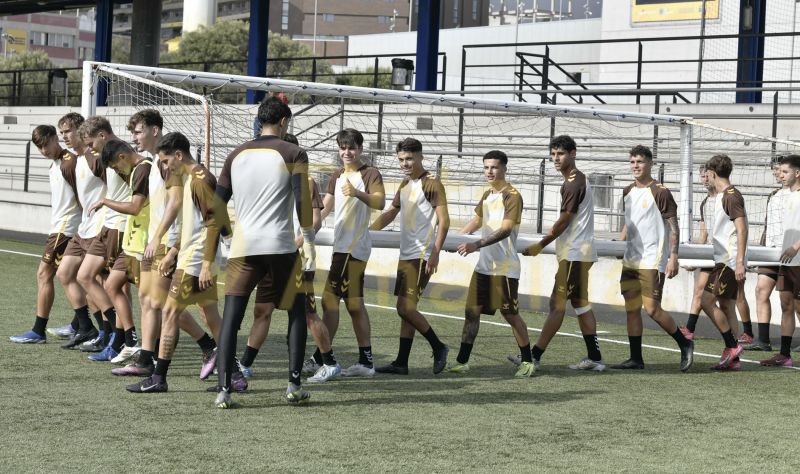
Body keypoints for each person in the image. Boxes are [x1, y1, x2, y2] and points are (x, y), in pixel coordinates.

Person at [210, 96, 316, 408]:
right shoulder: (293, 151)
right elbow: (302, 201)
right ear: (284, 121)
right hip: (281, 246)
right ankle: (294, 384)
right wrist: (308, 239)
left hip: (243, 248)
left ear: (260, 121)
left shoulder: (235, 154)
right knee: (296, 311)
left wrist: (228, 236)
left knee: (231, 317)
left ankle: (224, 390)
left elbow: (216, 205)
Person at [113, 110, 219, 378]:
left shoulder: (170, 166)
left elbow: (177, 204)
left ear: (155, 130)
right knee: (153, 301)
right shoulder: (156, 162)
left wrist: (163, 241)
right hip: (164, 242)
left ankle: (210, 353)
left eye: (138, 131)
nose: (133, 137)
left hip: (173, 244)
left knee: (166, 305)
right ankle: (153, 359)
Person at [238, 133, 340, 384]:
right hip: (272, 256)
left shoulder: (307, 182)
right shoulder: (268, 180)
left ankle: (330, 362)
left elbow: (315, 221)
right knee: (262, 310)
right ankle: (246, 364)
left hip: (298, 259)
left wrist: (294, 242)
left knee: (307, 314)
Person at [522, 135, 605, 371]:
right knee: (580, 304)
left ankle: (534, 357)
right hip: (578, 252)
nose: (556, 158)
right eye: (553, 154)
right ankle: (595, 358)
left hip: (575, 253)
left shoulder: (573, 181)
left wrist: (541, 244)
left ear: (573, 153)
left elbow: (564, 220)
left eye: (561, 153)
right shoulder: (573, 180)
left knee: (556, 305)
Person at [449, 150, 534, 377]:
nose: (489, 171)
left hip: (504, 269)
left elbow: (506, 229)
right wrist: (453, 240)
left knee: (510, 314)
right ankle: (462, 361)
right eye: (486, 167)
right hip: (483, 268)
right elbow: (476, 221)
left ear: (505, 168)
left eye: (494, 167)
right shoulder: (487, 195)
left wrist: (476, 245)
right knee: (471, 312)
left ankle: (527, 361)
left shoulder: (512, 195)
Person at [369, 138, 450, 375]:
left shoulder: (432, 183)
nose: (405, 163)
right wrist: (367, 233)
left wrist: (435, 251)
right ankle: (402, 362)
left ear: (420, 157)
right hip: (406, 256)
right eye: (401, 159)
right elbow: (390, 214)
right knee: (408, 309)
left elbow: (444, 221)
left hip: (421, 255)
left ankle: (439, 346)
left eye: (409, 159)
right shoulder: (405, 185)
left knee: (404, 308)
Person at [610, 145, 693, 372]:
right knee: (632, 308)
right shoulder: (627, 191)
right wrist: (620, 241)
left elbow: (673, 226)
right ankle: (636, 358)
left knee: (652, 309)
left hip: (651, 259)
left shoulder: (660, 191)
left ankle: (685, 343)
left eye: (640, 162)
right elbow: (629, 220)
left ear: (650, 164)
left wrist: (673, 256)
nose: (635, 166)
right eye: (632, 162)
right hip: (631, 259)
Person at [311, 128, 386, 378]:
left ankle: (322, 358)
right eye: (342, 147)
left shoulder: (370, 173)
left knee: (328, 301)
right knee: (354, 305)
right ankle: (365, 362)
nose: (346, 152)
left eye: (351, 147)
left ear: (361, 149)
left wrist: (357, 193)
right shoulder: (336, 175)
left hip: (352, 249)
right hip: (341, 248)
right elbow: (326, 207)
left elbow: (380, 202)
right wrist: (309, 228)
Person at [10, 125, 81, 344]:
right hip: (61, 227)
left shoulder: (70, 162)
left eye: (45, 145)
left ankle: (39, 330)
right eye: (39, 147)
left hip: (66, 229)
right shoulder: (56, 164)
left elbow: (83, 197)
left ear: (54, 138)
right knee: (81, 278)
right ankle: (81, 326)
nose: (43, 150)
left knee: (44, 274)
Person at [72, 117, 136, 357]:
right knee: (85, 275)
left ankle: (121, 339)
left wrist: (108, 203)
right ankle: (113, 332)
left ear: (102, 135)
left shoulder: (123, 154)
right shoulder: (108, 155)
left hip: (120, 227)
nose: (90, 149)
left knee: (118, 286)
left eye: (91, 143)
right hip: (107, 226)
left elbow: (136, 194)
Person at [85, 138, 153, 363]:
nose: (115, 171)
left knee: (156, 302)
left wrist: (106, 201)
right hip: (132, 243)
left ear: (122, 157)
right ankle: (130, 341)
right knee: (113, 284)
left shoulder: (144, 169)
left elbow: (135, 207)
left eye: (115, 166)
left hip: (144, 245)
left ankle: (206, 345)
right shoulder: (135, 170)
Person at [49, 113, 106, 342]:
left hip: (100, 228)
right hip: (84, 228)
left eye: (68, 131)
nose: (65, 137)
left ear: (82, 130)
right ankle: (87, 328)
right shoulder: (78, 159)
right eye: (61, 132)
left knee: (100, 282)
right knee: (64, 273)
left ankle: (110, 334)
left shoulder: (95, 158)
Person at [701, 154, 747, 371]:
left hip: (728, 260)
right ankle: (734, 361)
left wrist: (739, 262)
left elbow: (742, 228)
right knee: (727, 305)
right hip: (724, 258)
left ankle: (732, 345)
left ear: (712, 173)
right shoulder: (722, 196)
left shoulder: (730, 195)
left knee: (706, 301)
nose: (705, 177)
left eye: (706, 174)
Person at [746, 157, 790, 351]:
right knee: (760, 290)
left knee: (790, 301)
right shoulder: (773, 195)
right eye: (775, 170)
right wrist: (760, 253)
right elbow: (768, 226)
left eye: (780, 170)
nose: (777, 173)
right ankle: (763, 340)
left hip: (791, 255)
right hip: (771, 252)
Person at [760, 155, 800, 367]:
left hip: (799, 260)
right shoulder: (787, 197)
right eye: (780, 172)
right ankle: (784, 355)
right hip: (786, 262)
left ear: (797, 173)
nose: (780, 175)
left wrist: (795, 246)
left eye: (785, 172)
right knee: (786, 305)